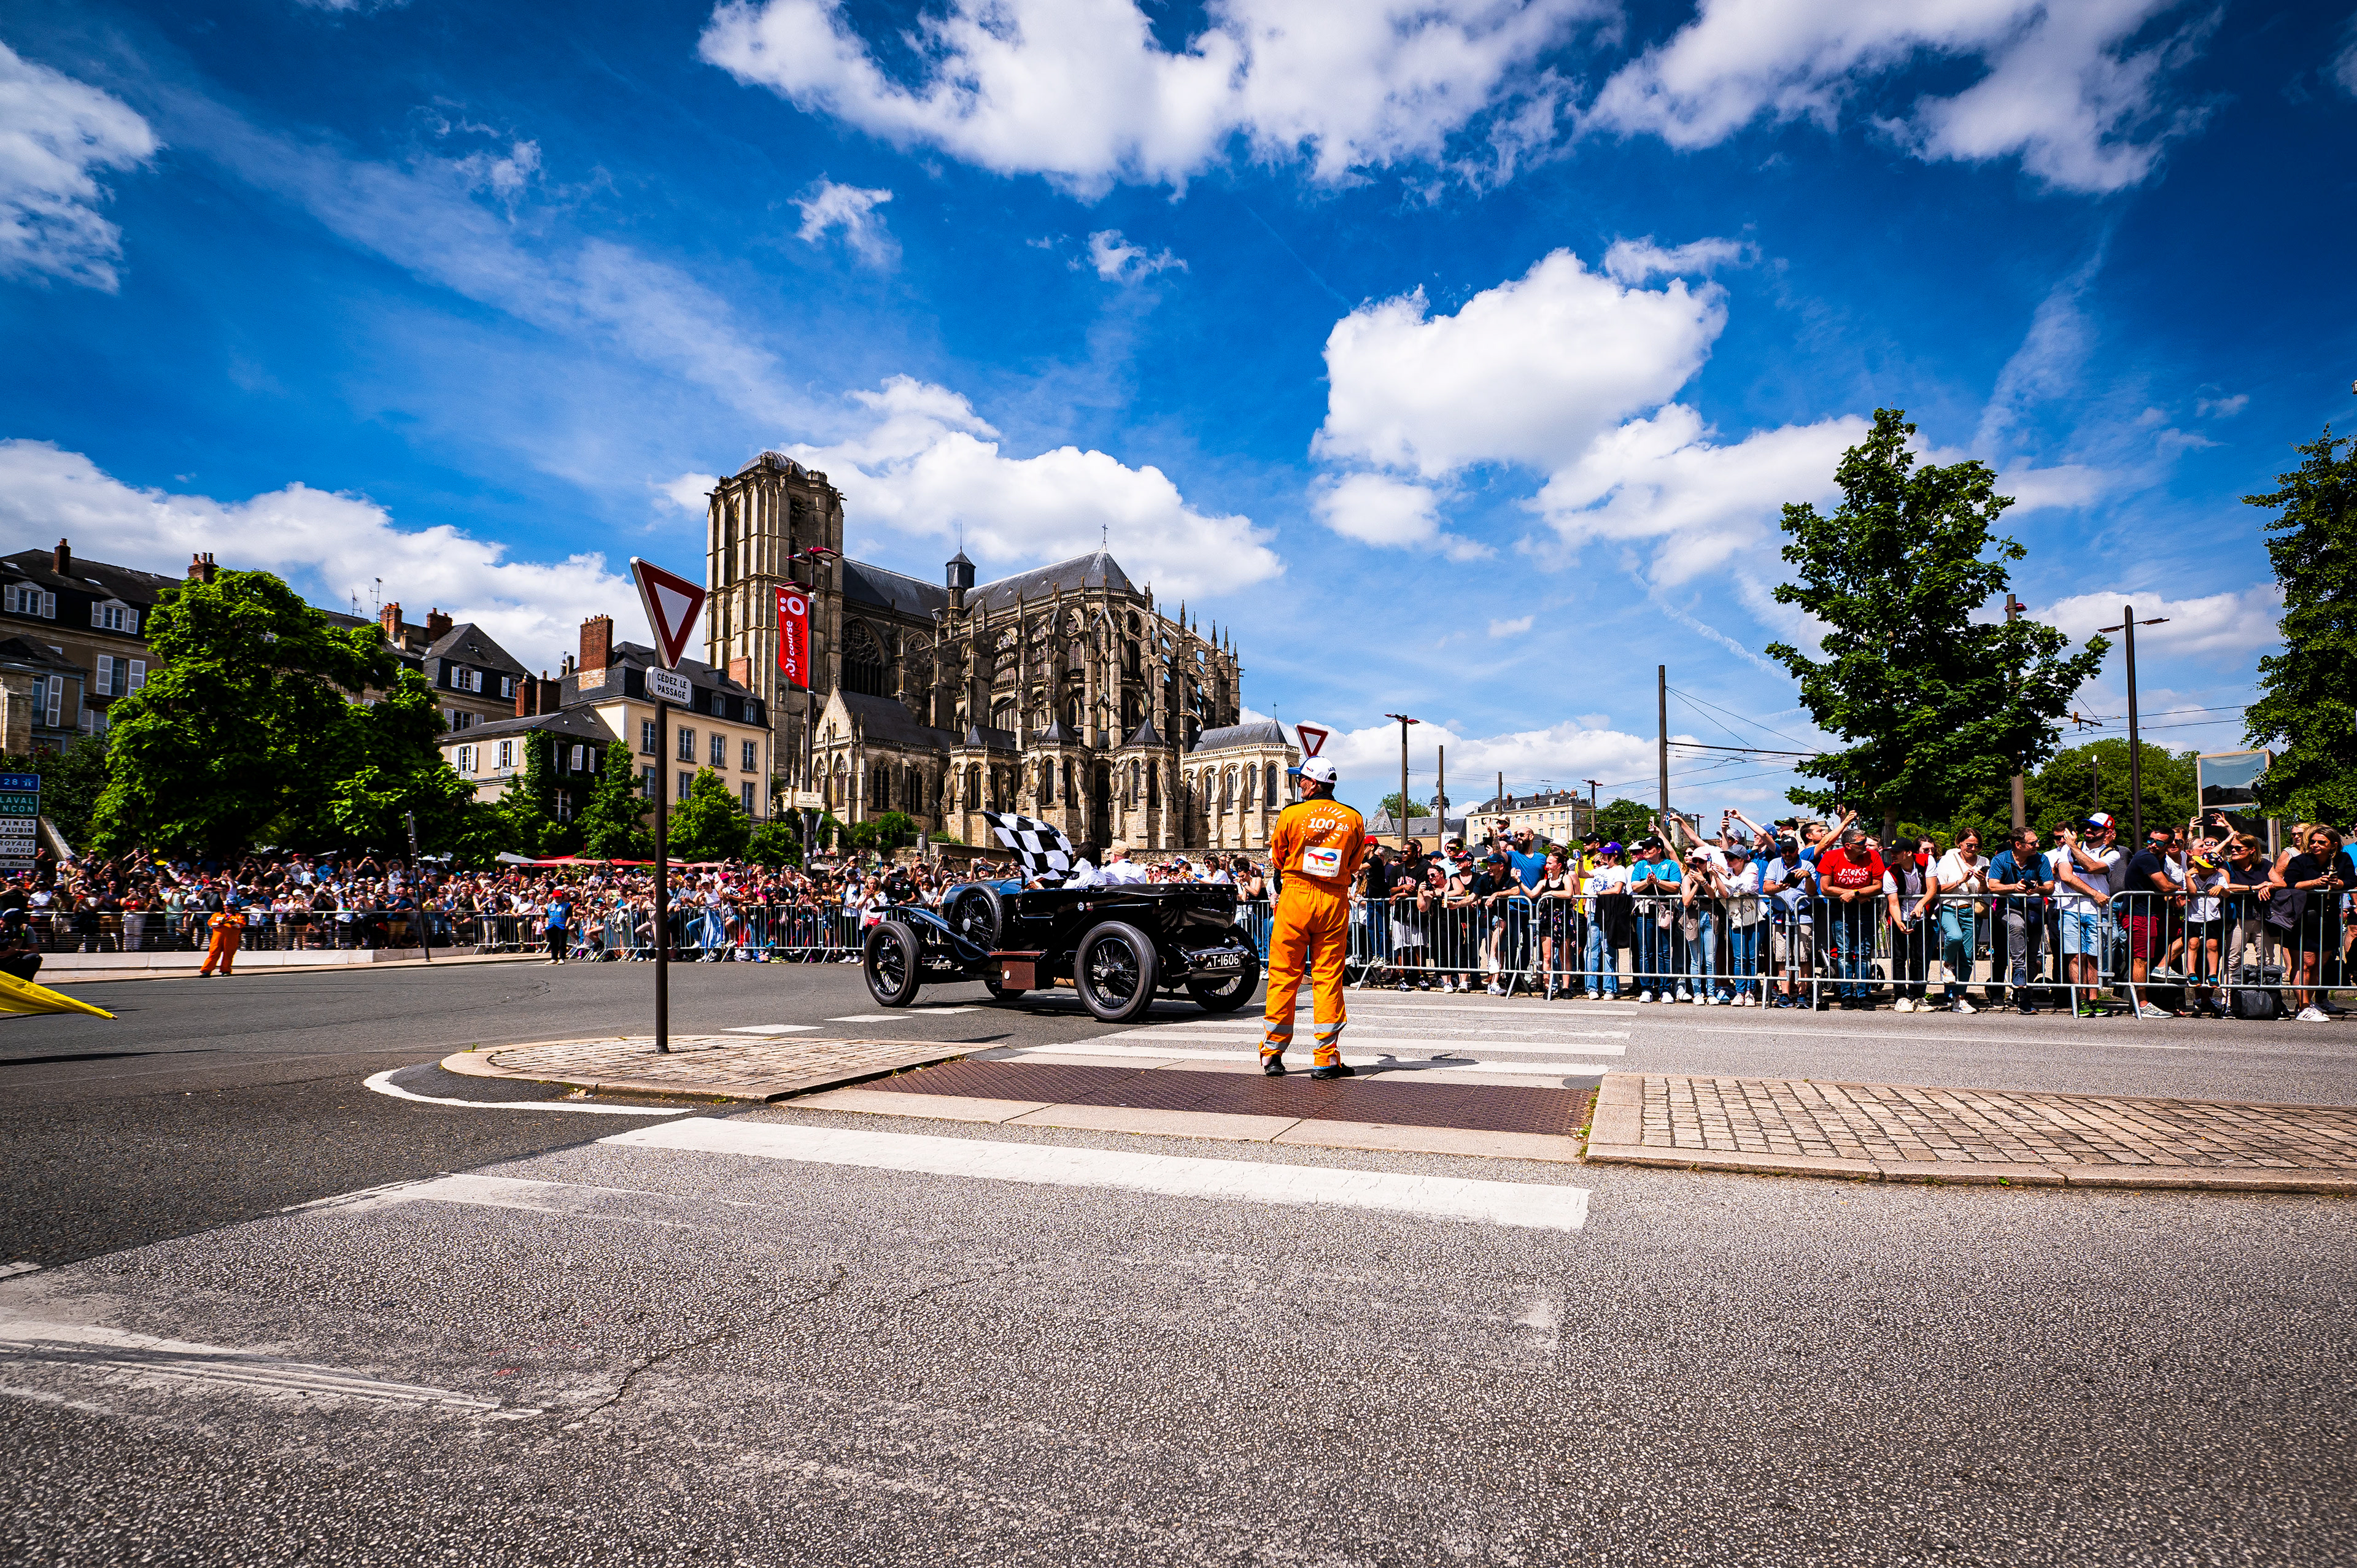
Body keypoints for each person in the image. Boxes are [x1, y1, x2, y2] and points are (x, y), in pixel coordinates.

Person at [1260, 759, 1368, 1079]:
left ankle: (1272, 1055)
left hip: (1296, 896)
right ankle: (1325, 1059)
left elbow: (1278, 857)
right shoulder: (1353, 817)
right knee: (1328, 977)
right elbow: (1355, 863)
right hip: (1334, 900)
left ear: (1314, 784)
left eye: (1302, 780)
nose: (1300, 785)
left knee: (1284, 975)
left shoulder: (1291, 814)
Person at [2274, 825, 2347, 1022]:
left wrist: (2337, 883)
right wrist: (2314, 883)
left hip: (2329, 918)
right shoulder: (2300, 861)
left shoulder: (2342, 859)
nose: (2315, 845)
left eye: (2321, 842)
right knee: (2305, 964)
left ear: (2333, 845)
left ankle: (2308, 1003)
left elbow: (2350, 881)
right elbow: (2288, 884)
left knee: (2318, 965)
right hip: (2303, 916)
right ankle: (2303, 1007)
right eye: (2313, 841)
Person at [1814, 825, 1886, 1010]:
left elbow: (1878, 885)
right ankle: (1846, 994)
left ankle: (1863, 994)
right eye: (1861, 843)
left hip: (1866, 910)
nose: (1865, 846)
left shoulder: (1873, 856)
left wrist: (1854, 893)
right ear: (1848, 846)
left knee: (1864, 952)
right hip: (1840, 910)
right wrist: (1852, 894)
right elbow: (1825, 887)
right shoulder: (1831, 856)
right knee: (1844, 952)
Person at [2049, 821, 2115, 1016]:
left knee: (2094, 957)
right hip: (2071, 910)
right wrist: (2094, 893)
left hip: (2097, 911)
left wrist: (2073, 848)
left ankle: (2094, 999)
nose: (2089, 831)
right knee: (2076, 957)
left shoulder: (2111, 853)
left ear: (2106, 833)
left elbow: (2093, 867)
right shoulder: (2066, 850)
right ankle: (2081, 999)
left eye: (2095, 828)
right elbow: (2066, 877)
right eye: (2088, 827)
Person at [1986, 828, 2050, 1015]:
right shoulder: (2000, 859)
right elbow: (1993, 886)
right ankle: (2018, 971)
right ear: (2018, 845)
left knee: (2033, 956)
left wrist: (2037, 889)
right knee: (2016, 925)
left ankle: (2025, 1000)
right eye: (2033, 843)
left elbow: (2050, 886)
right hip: (2008, 909)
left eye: (2037, 841)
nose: (2037, 845)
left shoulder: (2042, 859)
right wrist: (2015, 887)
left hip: (2034, 911)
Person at [1929, 830, 1987, 1013]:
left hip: (1972, 911)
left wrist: (1983, 882)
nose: (1973, 849)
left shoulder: (1984, 861)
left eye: (1977, 846)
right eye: (1969, 845)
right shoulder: (1947, 860)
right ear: (1959, 843)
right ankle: (1947, 965)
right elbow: (1938, 889)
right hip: (1949, 907)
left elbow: (1984, 891)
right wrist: (1961, 881)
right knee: (1955, 937)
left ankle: (1959, 999)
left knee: (1967, 958)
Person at [199, 897, 247, 978]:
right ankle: (206, 971)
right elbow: (211, 923)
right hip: (217, 939)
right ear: (224, 906)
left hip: (231, 939)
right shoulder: (217, 915)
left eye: (232, 906)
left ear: (235, 907)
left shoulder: (239, 916)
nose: (230, 908)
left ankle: (225, 971)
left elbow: (240, 925)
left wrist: (232, 923)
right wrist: (220, 923)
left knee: (228, 955)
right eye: (228, 906)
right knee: (213, 954)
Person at [543, 887, 572, 964]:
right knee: (553, 943)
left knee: (562, 943)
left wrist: (567, 925)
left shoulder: (567, 905)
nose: (557, 899)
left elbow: (569, 916)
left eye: (559, 897)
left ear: (562, 897)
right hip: (551, 926)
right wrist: (547, 925)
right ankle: (554, 958)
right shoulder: (550, 906)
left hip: (562, 926)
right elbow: (547, 916)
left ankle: (562, 958)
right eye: (556, 897)